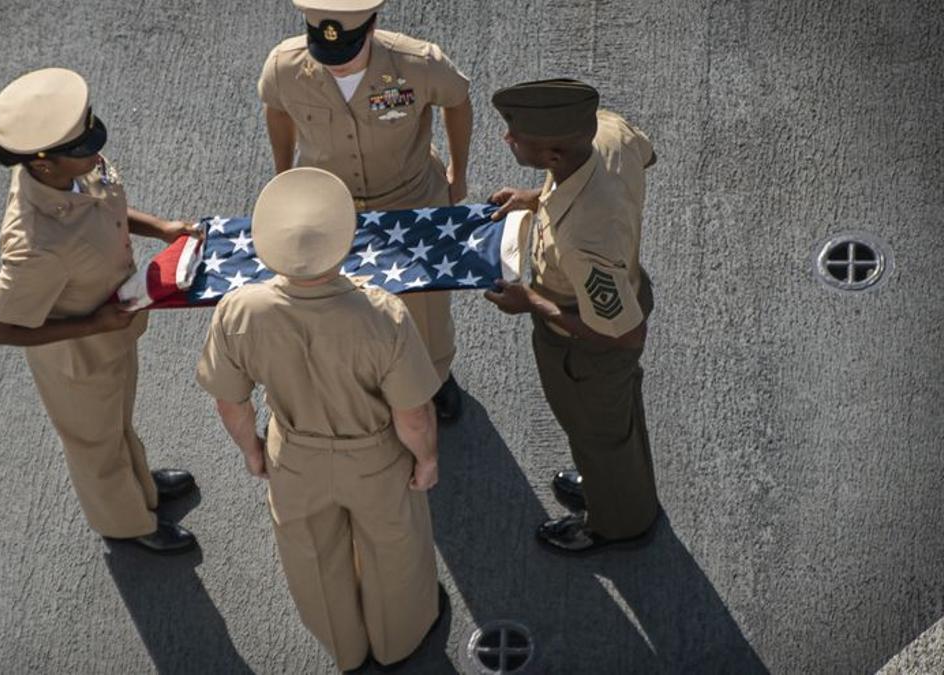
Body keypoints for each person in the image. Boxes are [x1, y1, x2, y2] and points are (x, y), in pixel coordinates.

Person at [197, 168, 444, 671]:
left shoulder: (239, 310)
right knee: (394, 550)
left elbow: (231, 402)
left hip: (296, 455)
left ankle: (346, 651)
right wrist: (426, 459)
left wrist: (253, 452)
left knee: (311, 557)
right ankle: (397, 643)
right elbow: (412, 413)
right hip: (374, 455)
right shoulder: (384, 316)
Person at [0, 67, 198, 555]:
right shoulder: (34, 243)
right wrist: (92, 324)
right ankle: (127, 522)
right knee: (94, 445)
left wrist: (160, 227)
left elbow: (104, 208)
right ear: (43, 163)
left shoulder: (73, 164)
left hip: (114, 328)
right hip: (77, 358)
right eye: (81, 151)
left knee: (117, 421)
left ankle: (141, 485)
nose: (96, 153)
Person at [258, 0, 473, 421]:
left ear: (372, 27)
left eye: (346, 52)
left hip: (409, 198)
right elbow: (277, 111)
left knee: (423, 306)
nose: (335, 64)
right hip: (328, 206)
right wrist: (283, 178)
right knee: (337, 302)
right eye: (324, 53)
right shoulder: (284, 65)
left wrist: (458, 171)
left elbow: (458, 100)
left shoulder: (417, 62)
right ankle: (366, 381)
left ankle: (435, 377)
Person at [483, 79, 660, 554]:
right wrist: (536, 197)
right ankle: (611, 483)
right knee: (613, 428)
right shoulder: (605, 131)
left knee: (599, 435)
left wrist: (531, 303)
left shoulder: (584, 240)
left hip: (588, 347)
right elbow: (644, 157)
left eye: (516, 139)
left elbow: (623, 334)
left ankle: (618, 522)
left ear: (555, 155)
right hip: (619, 294)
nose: (508, 140)